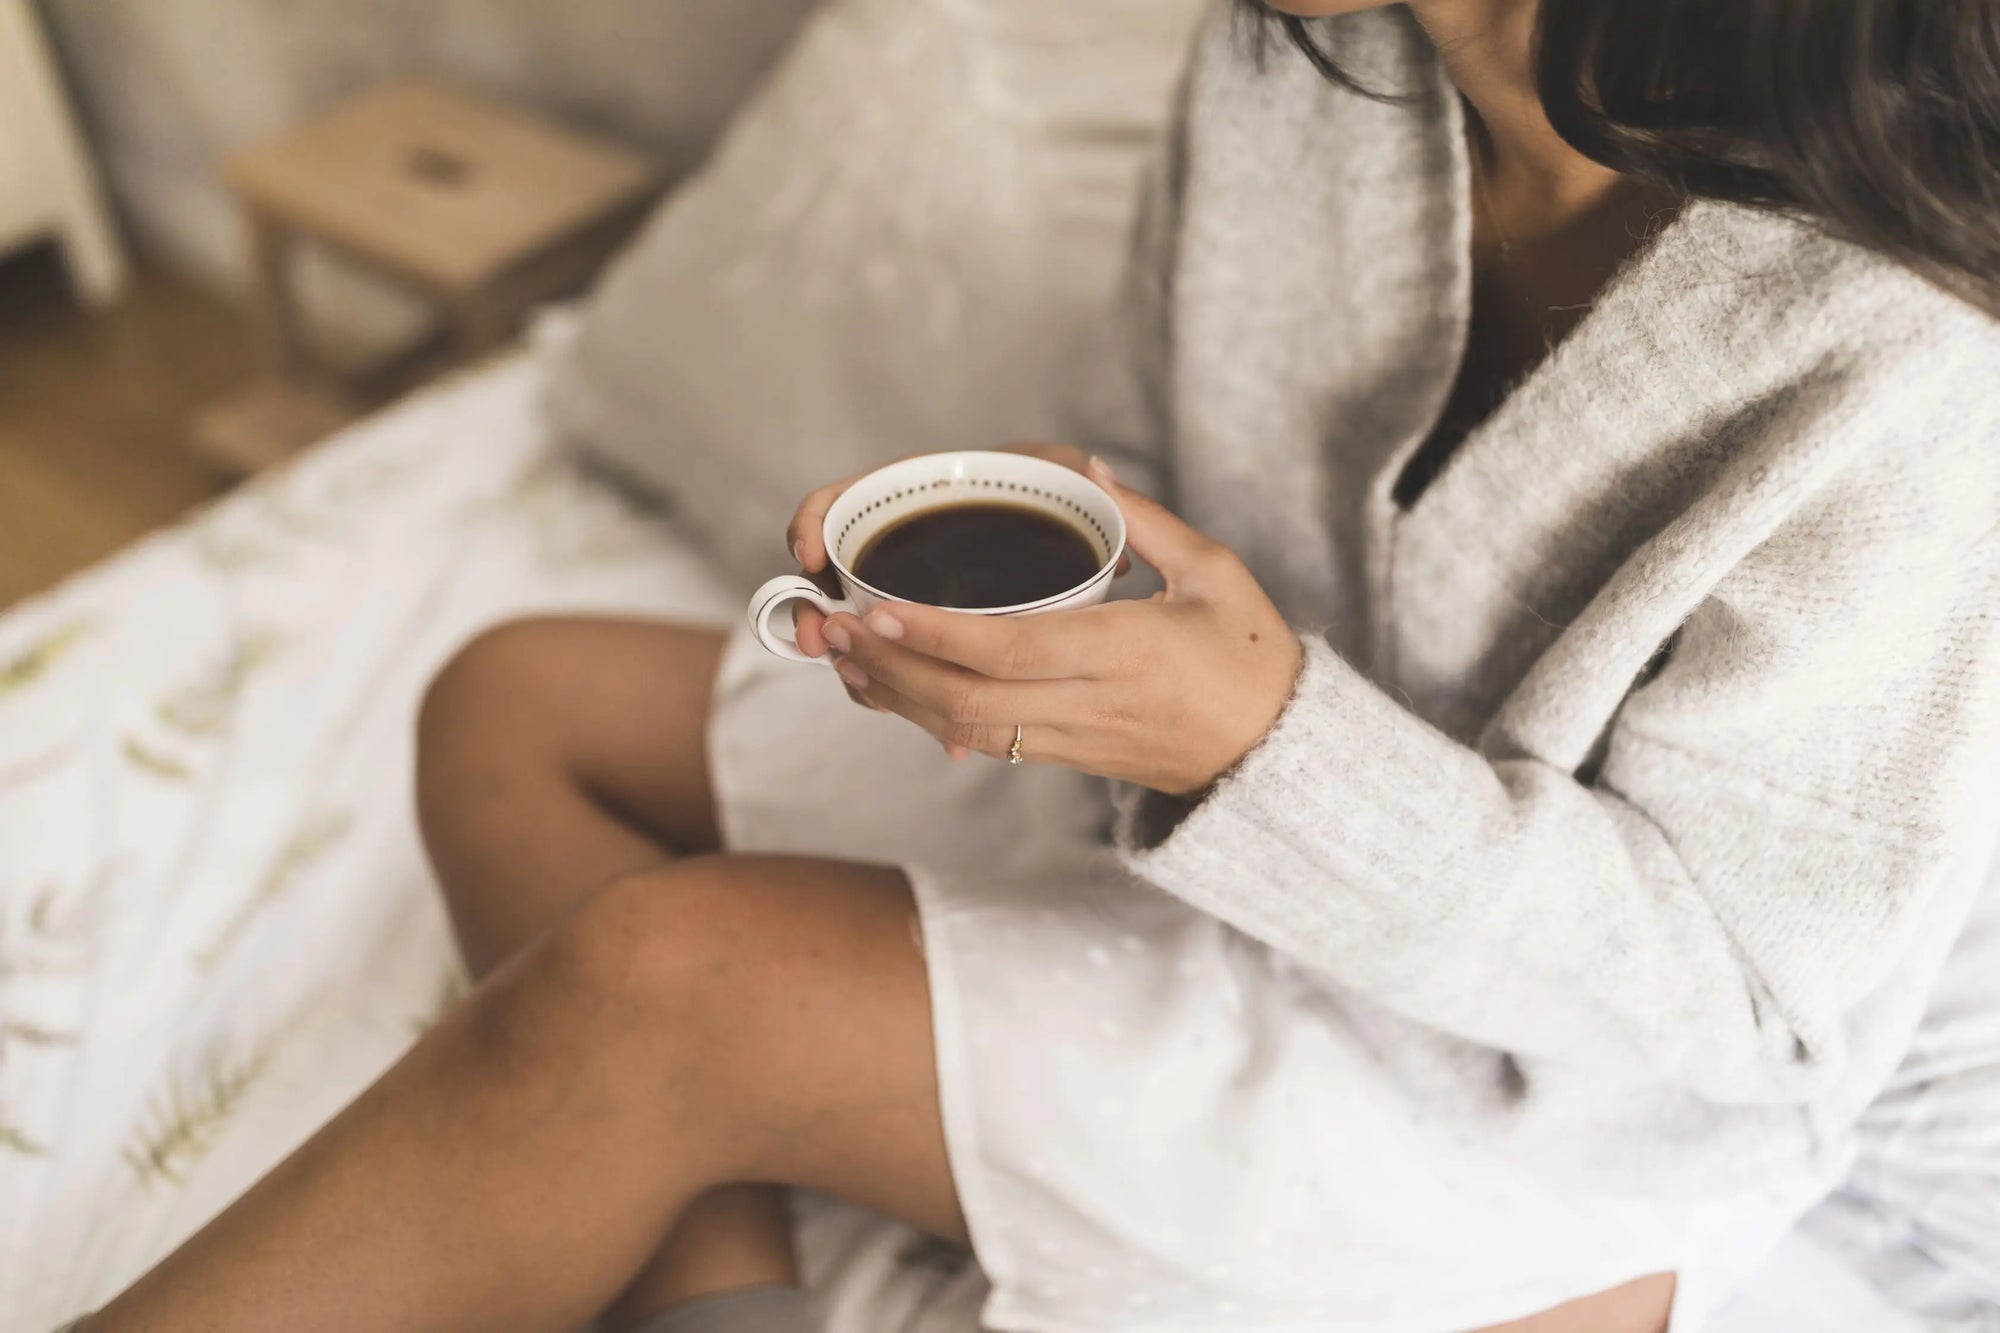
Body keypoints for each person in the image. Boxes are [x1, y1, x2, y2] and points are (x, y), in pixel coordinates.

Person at [71, 1, 2000, 1331]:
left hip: (1550, 1066)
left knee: (664, 982)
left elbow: (1744, 1010)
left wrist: (1268, 746)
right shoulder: (1305, 64)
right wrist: (1044, 641)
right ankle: (720, 1299)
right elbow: (1155, 442)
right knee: (511, 697)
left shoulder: (1913, 357)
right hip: (1229, 811)